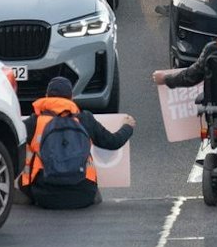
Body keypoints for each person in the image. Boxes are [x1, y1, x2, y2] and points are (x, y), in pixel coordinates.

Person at [20, 77, 135, 209]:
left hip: (44, 196)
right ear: (71, 98)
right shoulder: (84, 119)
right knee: (96, 196)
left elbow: (11, 143)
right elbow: (113, 142)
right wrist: (128, 127)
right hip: (84, 194)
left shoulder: (34, 122)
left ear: (46, 97)